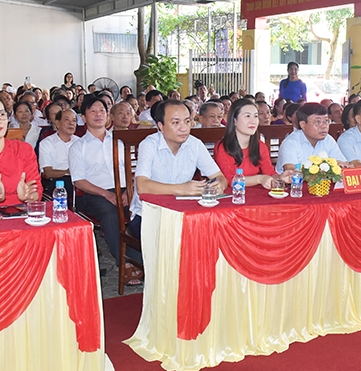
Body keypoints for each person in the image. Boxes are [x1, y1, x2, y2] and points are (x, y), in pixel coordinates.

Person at [129, 100, 227, 241]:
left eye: (187, 121)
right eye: (176, 123)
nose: (183, 128)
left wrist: (217, 187)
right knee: (179, 237)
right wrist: (181, 189)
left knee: (218, 229)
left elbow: (220, 177)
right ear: (161, 126)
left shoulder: (195, 144)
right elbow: (142, 186)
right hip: (148, 215)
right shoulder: (149, 145)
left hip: (184, 213)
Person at [69, 96, 130, 266]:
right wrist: (105, 194)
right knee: (111, 215)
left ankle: (145, 261)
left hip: (125, 191)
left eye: (102, 111)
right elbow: (79, 181)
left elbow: (133, 171)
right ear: (83, 118)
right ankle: (125, 263)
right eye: (93, 111)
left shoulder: (120, 142)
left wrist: (128, 192)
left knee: (145, 210)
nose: (98, 115)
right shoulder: (78, 147)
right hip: (96, 194)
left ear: (108, 115)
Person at [214, 99, 281, 188]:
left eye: (255, 116)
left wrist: (280, 177)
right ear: (234, 120)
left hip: (256, 196)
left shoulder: (260, 146)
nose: (253, 121)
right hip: (234, 196)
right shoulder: (222, 147)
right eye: (247, 116)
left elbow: (269, 172)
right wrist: (259, 179)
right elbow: (229, 179)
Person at [276, 103, 352, 172]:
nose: (324, 126)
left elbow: (342, 163)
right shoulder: (290, 143)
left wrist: (343, 165)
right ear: (303, 125)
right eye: (317, 122)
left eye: (326, 121)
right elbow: (291, 171)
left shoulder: (328, 140)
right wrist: (328, 168)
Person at [39, 108, 78, 194]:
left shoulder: (81, 142)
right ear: (57, 123)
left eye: (74, 121)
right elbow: (48, 173)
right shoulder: (47, 143)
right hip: (59, 182)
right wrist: (67, 172)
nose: (71, 123)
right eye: (67, 120)